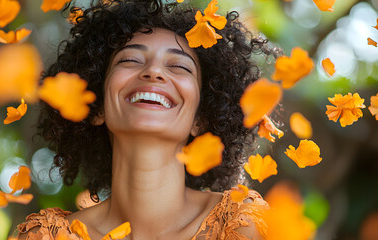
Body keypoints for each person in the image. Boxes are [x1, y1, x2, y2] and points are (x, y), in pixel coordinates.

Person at [17, 0, 273, 239]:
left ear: (201, 118)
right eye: (130, 60)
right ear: (96, 108)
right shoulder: (46, 235)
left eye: (179, 67)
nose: (153, 71)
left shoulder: (244, 225)